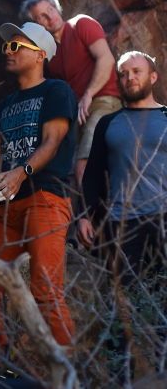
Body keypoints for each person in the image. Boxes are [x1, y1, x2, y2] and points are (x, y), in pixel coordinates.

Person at [0, 22, 77, 361]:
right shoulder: (6, 104)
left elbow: (52, 142)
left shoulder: (56, 91)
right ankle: (1, 371)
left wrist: (22, 173)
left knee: (47, 292)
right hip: (6, 212)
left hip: (45, 200)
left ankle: (70, 377)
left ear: (39, 55)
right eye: (6, 46)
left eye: (15, 46)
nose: (7, 52)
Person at [78, 50, 166, 281]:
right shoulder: (107, 123)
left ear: (153, 77)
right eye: (124, 74)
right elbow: (93, 175)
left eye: (137, 71)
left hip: (164, 218)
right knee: (127, 299)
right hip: (122, 224)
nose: (130, 78)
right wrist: (85, 215)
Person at [20, 0, 121, 184]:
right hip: (77, 111)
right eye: (41, 16)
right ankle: (75, 211)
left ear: (56, 7)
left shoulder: (81, 24)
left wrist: (89, 94)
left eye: (50, 9)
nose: (49, 16)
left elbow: (106, 59)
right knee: (63, 164)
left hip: (105, 101)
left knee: (83, 162)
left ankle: (89, 214)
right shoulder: (50, 57)